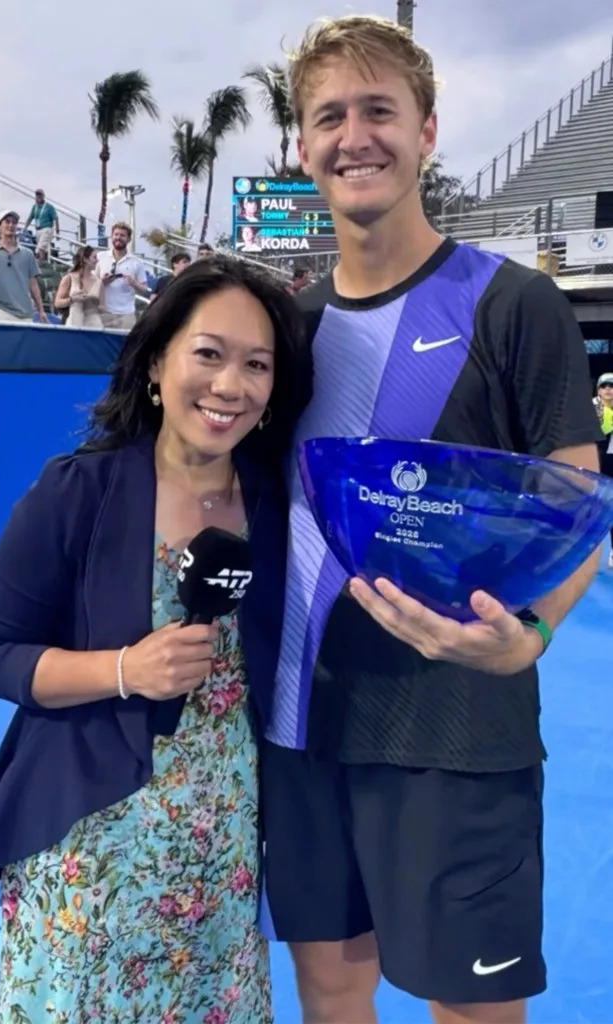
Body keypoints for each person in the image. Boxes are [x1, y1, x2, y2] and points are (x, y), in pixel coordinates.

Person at [260, 15, 603, 1024]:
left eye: (380, 111)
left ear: (427, 131)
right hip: (301, 723)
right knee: (331, 990)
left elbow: (578, 503)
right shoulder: (287, 330)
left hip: (457, 727)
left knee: (472, 1011)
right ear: (301, 146)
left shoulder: (513, 304)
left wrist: (528, 635)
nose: (354, 135)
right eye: (330, 116)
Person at [0, 255, 312, 1023]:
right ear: (158, 361)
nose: (230, 385)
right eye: (208, 354)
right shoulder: (74, 492)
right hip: (92, 839)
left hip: (222, 838)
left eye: (257, 365)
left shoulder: (277, 498)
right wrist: (125, 668)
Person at [0, 210, 47, 323]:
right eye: (7, 222)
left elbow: (33, 284)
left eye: (14, 222)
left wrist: (41, 310)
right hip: (1, 312)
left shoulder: (28, 254)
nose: (11, 225)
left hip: (26, 314)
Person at [97, 221, 149, 330]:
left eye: (122, 235)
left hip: (127, 315)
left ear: (128, 239)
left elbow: (144, 289)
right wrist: (102, 282)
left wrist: (134, 283)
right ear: (111, 236)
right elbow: (91, 284)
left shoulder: (136, 262)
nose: (118, 238)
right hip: (103, 313)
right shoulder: (100, 257)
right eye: (116, 234)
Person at [54, 245, 103, 328]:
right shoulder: (69, 278)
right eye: (94, 257)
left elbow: (103, 307)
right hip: (73, 322)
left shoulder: (99, 281)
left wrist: (94, 301)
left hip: (93, 324)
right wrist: (73, 299)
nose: (97, 261)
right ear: (85, 259)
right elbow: (57, 303)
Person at [593, 371, 613, 567]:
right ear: (599, 389)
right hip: (594, 462)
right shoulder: (591, 407)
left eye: (612, 386)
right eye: (604, 386)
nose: (608, 389)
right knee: (593, 508)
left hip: (612, 459)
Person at [24, 189, 60, 261]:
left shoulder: (49, 207)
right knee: (44, 249)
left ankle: (37, 267)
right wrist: (25, 228)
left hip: (47, 229)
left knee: (39, 249)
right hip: (38, 230)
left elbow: (56, 218)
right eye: (37, 195)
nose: (38, 197)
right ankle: (44, 263)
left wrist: (57, 232)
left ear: (43, 196)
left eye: (40, 195)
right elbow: (30, 218)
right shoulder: (35, 207)